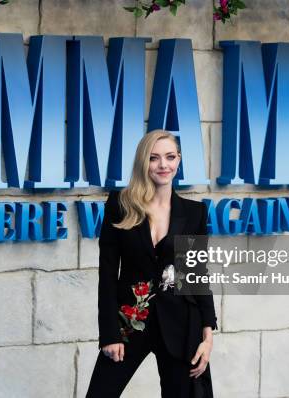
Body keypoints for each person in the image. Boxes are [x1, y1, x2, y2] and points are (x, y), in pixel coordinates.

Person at [86, 130, 217, 398]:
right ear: (143, 163)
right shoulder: (120, 205)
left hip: (182, 324)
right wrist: (109, 333)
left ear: (179, 160)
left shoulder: (194, 213)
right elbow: (108, 274)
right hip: (130, 321)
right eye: (154, 158)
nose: (163, 165)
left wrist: (208, 334)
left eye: (170, 157)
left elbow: (197, 273)